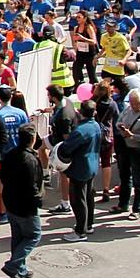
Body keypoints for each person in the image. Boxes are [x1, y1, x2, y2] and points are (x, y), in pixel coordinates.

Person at [0, 125, 43, 278]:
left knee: (18, 236)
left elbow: (2, 176)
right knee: (33, 235)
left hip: (11, 201)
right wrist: (38, 200)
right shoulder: (30, 159)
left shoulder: (11, 154)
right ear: (32, 139)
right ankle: (14, 265)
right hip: (25, 205)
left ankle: (20, 268)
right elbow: (33, 185)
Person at [56, 102, 102, 242]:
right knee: (88, 196)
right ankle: (88, 225)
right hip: (92, 165)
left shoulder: (81, 130)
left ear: (81, 112)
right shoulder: (95, 125)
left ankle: (80, 231)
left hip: (80, 168)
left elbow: (66, 148)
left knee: (78, 200)